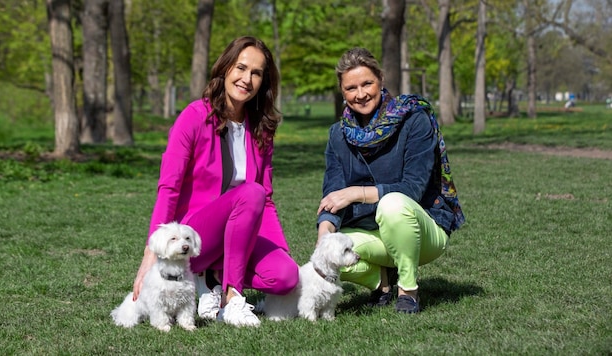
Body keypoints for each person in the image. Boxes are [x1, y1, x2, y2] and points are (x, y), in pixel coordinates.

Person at [132, 36, 299, 327]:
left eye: (256, 73)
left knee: (285, 276)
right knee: (250, 193)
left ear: (264, 81)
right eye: (241, 67)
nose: (247, 79)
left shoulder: (262, 129)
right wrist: (150, 252)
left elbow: (266, 199)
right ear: (225, 68)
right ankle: (230, 298)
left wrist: (279, 250)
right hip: (196, 234)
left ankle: (212, 277)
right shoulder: (194, 116)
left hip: (240, 229)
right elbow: (168, 188)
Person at [316, 48, 465, 314]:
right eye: (351, 88)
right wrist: (323, 235)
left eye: (367, 83)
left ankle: (408, 290)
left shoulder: (414, 119)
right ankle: (381, 283)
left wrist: (355, 193)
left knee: (393, 204)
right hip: (371, 230)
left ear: (381, 80)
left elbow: (413, 188)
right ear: (342, 92)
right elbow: (333, 192)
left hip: (421, 229)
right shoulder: (337, 135)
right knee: (331, 251)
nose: (360, 94)